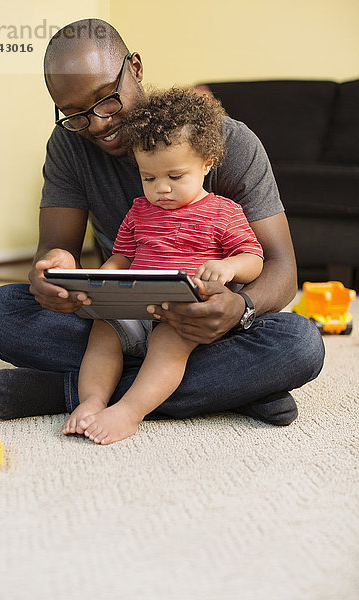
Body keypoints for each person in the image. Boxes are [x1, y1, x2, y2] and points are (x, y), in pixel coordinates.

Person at [0, 18, 325, 427]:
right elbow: (57, 249)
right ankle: (233, 388)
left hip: (206, 322)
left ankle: (66, 391)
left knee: (300, 344)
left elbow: (281, 269)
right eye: (74, 114)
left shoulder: (228, 142)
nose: (98, 124)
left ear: (135, 69)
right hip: (123, 314)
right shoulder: (70, 144)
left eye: (106, 99)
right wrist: (53, 273)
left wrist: (238, 309)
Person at [62, 88, 264, 444]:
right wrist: (102, 279)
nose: (162, 189)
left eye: (175, 176)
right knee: (101, 332)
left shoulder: (223, 211)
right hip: (137, 306)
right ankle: (92, 401)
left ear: (207, 163)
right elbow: (122, 257)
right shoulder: (140, 211)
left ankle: (130, 410)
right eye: (149, 178)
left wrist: (229, 266)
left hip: (185, 317)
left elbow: (254, 259)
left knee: (175, 340)